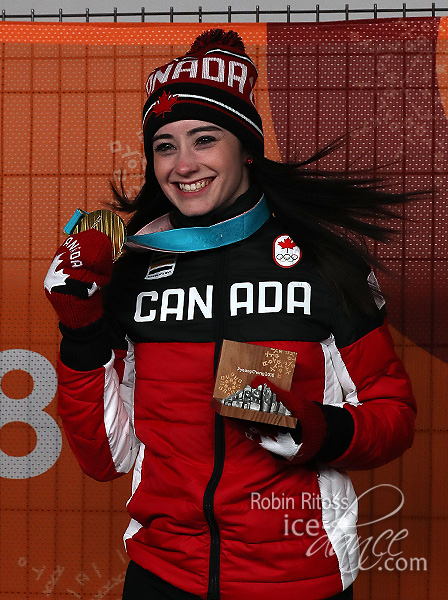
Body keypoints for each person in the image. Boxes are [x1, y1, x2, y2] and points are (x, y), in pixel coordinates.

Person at [44, 29, 416, 600]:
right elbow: (104, 457)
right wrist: (81, 328)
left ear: (245, 147)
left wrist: (313, 428)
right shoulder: (133, 269)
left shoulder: (322, 264)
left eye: (203, 139)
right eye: (165, 145)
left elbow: (393, 417)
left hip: (298, 578)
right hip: (164, 575)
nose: (182, 164)